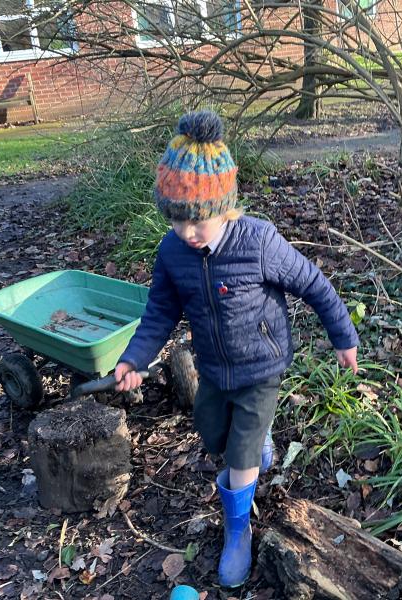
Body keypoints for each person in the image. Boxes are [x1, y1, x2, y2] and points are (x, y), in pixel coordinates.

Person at [113, 110, 359, 588]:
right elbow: (159, 313)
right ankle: (255, 445)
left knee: (239, 457)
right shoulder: (172, 253)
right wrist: (134, 358)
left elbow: (313, 283)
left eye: (197, 221)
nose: (187, 232)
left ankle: (238, 530)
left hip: (261, 366)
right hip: (214, 367)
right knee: (212, 432)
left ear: (224, 208)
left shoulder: (258, 241)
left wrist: (343, 336)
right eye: (176, 219)